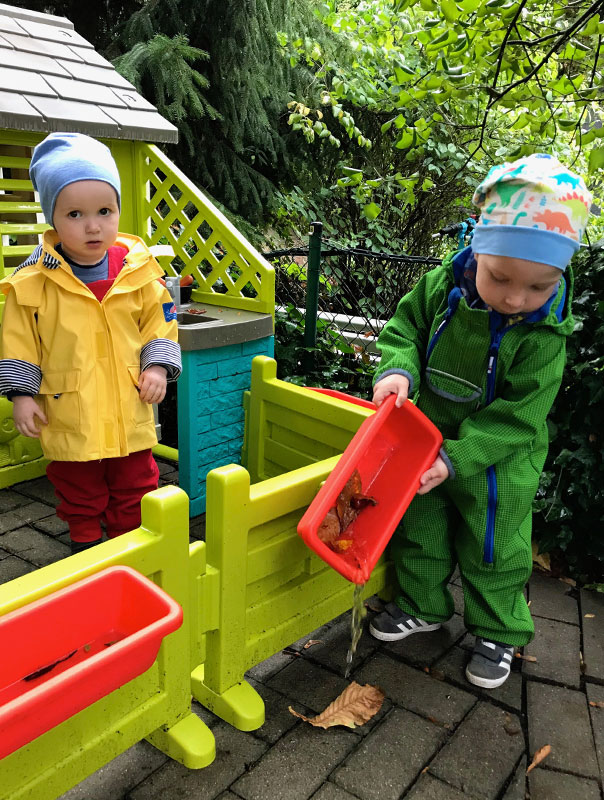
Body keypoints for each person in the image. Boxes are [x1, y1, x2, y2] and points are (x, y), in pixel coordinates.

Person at [368, 153, 591, 689]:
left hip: (498, 463)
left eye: (540, 286)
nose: (517, 298)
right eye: (501, 277)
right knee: (418, 526)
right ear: (477, 245)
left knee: (494, 546)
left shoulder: (543, 337)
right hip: (426, 442)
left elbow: (520, 417)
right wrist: (397, 372)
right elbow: (406, 328)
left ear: (560, 274)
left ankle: (499, 630)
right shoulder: (443, 288)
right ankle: (424, 604)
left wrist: (460, 456)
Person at [0, 132, 181, 554]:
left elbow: (161, 321)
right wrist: (22, 394)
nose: (93, 225)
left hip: (126, 404)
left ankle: (129, 543)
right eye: (75, 214)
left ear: (119, 209)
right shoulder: (33, 281)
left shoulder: (139, 272)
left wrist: (156, 366)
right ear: (53, 218)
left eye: (105, 210)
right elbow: (18, 340)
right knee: (75, 479)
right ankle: (84, 541)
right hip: (70, 407)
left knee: (136, 478)